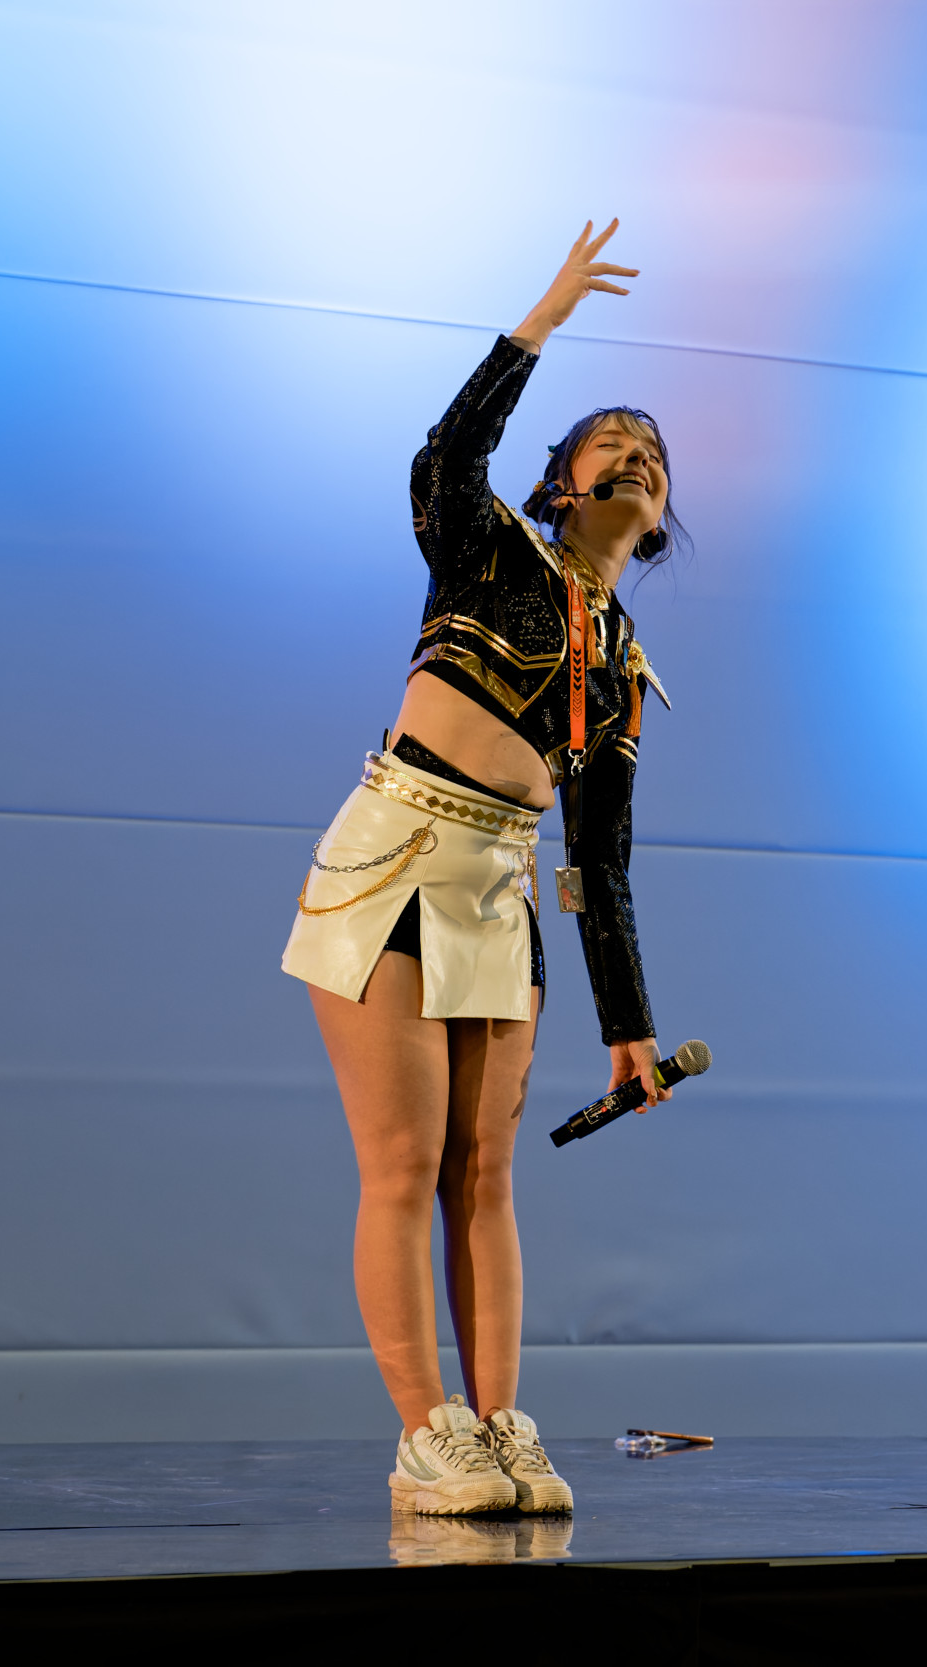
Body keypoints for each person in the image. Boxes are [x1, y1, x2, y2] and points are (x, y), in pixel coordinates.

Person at [282, 221, 682, 1516]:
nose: (636, 451)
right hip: (396, 853)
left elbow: (600, 856)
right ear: (559, 485)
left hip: (501, 893)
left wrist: (629, 1027)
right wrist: (540, 322)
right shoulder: (488, 544)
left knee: (485, 1172)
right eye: (610, 441)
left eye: (655, 452)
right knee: (404, 1161)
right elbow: (444, 458)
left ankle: (501, 1421)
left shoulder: (620, 663)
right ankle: (424, 1434)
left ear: (659, 517)